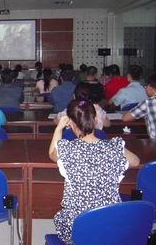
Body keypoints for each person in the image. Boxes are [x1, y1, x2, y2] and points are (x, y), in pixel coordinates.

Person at [49, 99, 139, 243]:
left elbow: (52, 153)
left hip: (78, 227)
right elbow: (135, 161)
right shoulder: (115, 146)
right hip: (112, 224)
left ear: (70, 123)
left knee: (63, 219)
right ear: (95, 119)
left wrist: (58, 129)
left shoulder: (67, 149)